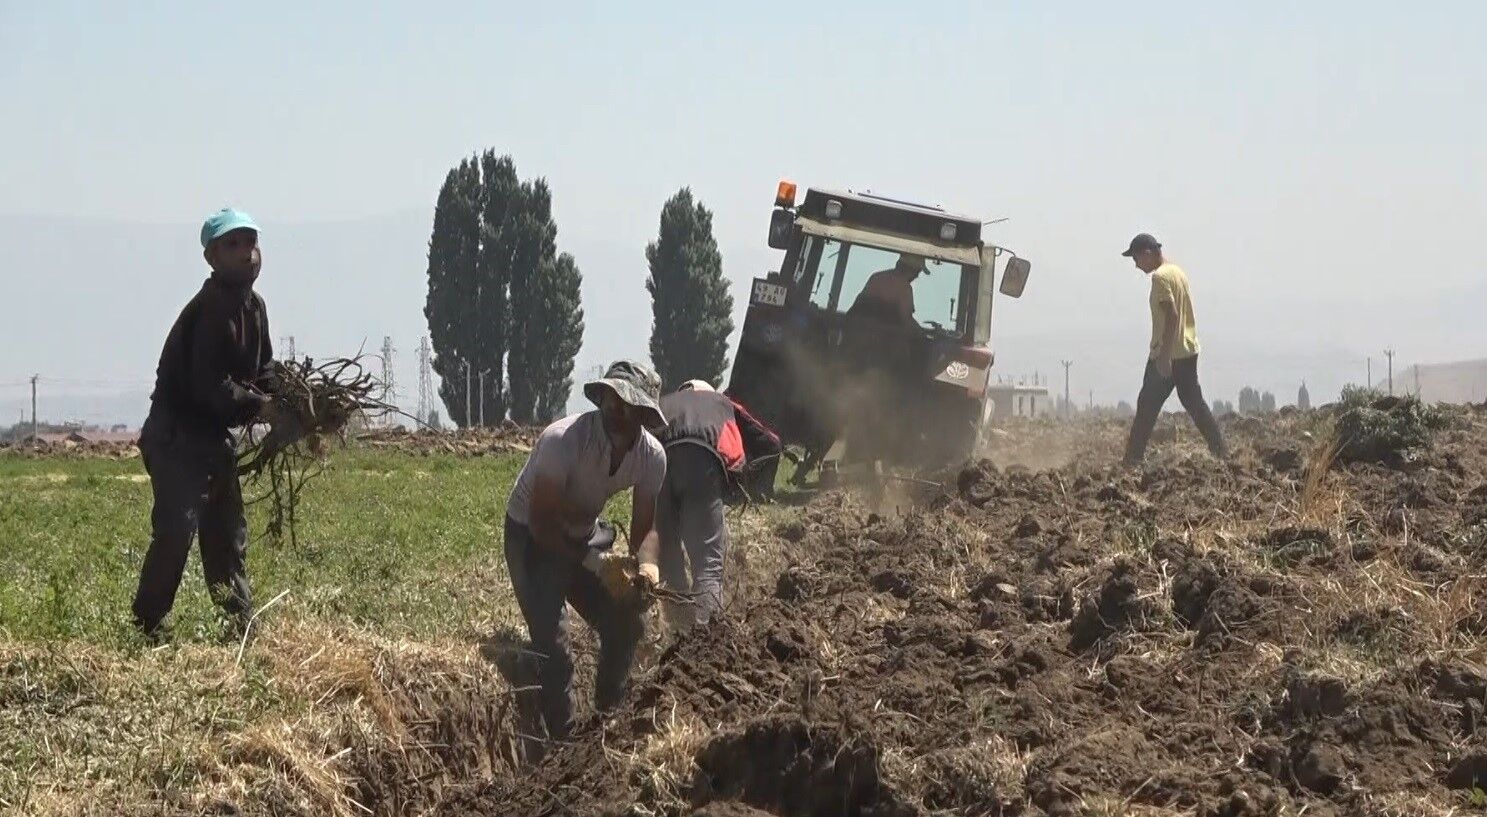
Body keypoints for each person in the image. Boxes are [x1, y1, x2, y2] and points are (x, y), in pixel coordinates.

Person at [502, 360, 667, 744]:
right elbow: (542, 524)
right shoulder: (563, 441)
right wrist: (594, 562)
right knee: (554, 649)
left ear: (644, 413)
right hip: (531, 537)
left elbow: (646, 529)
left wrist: (647, 567)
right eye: (610, 400)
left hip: (580, 535)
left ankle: (607, 724)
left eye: (626, 404)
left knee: (627, 623)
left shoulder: (651, 457)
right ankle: (565, 745)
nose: (615, 410)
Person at [132, 208, 277, 641]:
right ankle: (147, 626)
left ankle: (239, 628)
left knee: (226, 536)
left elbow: (264, 369)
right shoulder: (209, 310)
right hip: (177, 437)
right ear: (211, 257)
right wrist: (262, 407)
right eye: (232, 245)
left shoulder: (254, 308)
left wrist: (294, 402)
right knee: (178, 530)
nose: (246, 253)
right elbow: (210, 388)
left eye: (251, 242)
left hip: (215, 439)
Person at [654, 379, 775, 632]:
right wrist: (748, 486)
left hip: (659, 465)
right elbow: (770, 443)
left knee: (668, 557)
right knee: (708, 563)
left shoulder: (662, 404)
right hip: (702, 464)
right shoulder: (721, 402)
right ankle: (706, 641)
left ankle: (678, 631)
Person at [1120, 233, 1227, 465]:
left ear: (1147, 254)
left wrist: (1164, 357)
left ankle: (1131, 461)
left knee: (1147, 406)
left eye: (1136, 259)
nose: (1136, 265)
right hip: (1188, 349)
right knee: (1194, 402)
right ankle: (1221, 451)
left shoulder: (1160, 278)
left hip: (1169, 354)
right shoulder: (1177, 272)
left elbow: (1172, 315)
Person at [847, 252, 926, 327]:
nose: (917, 276)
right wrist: (922, 334)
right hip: (879, 336)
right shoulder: (904, 287)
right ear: (911, 269)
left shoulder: (876, 277)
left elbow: (857, 306)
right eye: (917, 272)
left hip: (855, 329)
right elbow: (906, 319)